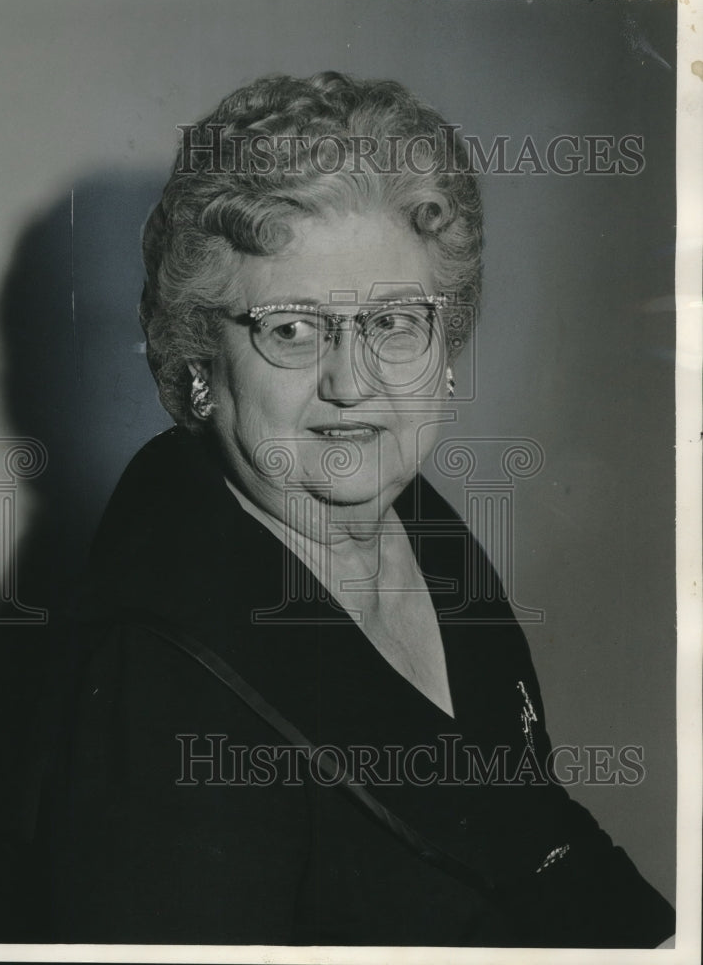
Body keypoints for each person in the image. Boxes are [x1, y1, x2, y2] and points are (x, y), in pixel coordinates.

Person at [33, 72, 675, 947]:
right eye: (290, 328)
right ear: (197, 363)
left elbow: (539, 845)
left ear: (443, 342)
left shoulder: (420, 526)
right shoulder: (156, 686)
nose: (351, 381)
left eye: (392, 323)